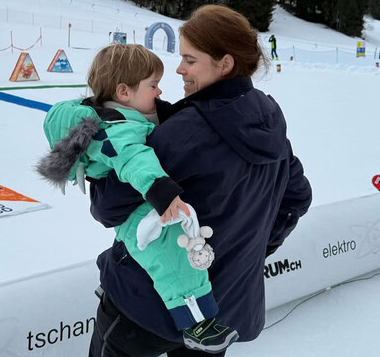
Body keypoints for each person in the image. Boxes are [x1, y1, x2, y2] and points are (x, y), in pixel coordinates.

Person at [88, 5, 312, 357]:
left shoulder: (185, 131)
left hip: (147, 305)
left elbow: (107, 207)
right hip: (222, 310)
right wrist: (245, 253)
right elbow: (296, 197)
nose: (179, 69)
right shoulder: (268, 118)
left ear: (225, 64)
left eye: (190, 60)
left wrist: (99, 164)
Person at [37, 43, 238, 354]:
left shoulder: (122, 114)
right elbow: (134, 159)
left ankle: (189, 311)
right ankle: (195, 321)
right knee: (172, 258)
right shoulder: (117, 128)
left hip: (138, 205)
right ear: (123, 92)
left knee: (176, 251)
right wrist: (162, 191)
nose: (159, 92)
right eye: (153, 85)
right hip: (141, 211)